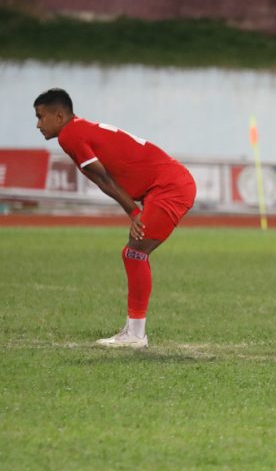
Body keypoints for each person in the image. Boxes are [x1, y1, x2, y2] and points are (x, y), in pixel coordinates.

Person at [33, 88, 196, 348]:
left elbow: (103, 178)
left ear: (60, 116)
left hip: (169, 187)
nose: (38, 124)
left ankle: (136, 335)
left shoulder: (70, 135)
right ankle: (133, 330)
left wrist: (133, 212)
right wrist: (133, 208)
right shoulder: (77, 129)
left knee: (134, 253)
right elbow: (104, 176)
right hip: (168, 183)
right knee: (134, 253)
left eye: (41, 117)